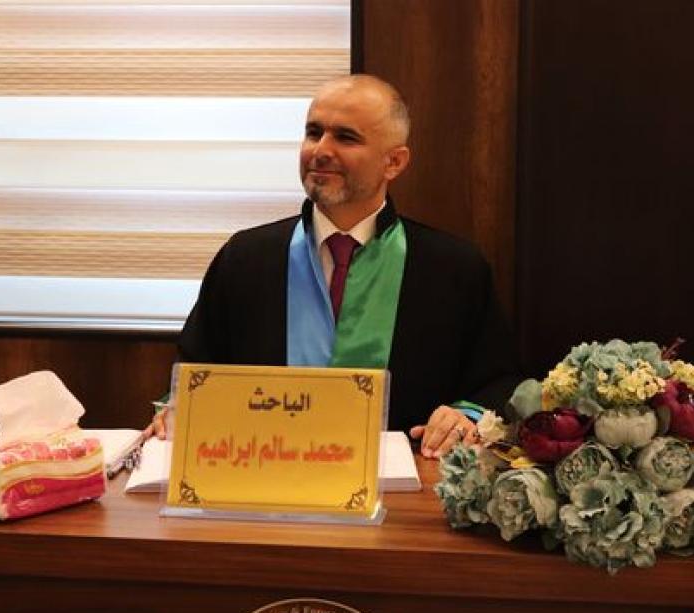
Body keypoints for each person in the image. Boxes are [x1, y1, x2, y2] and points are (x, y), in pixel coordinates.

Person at [155, 74, 517, 458]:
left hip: (406, 482)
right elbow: (195, 372)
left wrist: (464, 417)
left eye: (345, 137)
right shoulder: (246, 258)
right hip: (264, 474)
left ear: (394, 162)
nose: (320, 150)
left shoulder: (453, 268)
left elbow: (497, 383)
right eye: (313, 133)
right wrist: (175, 410)